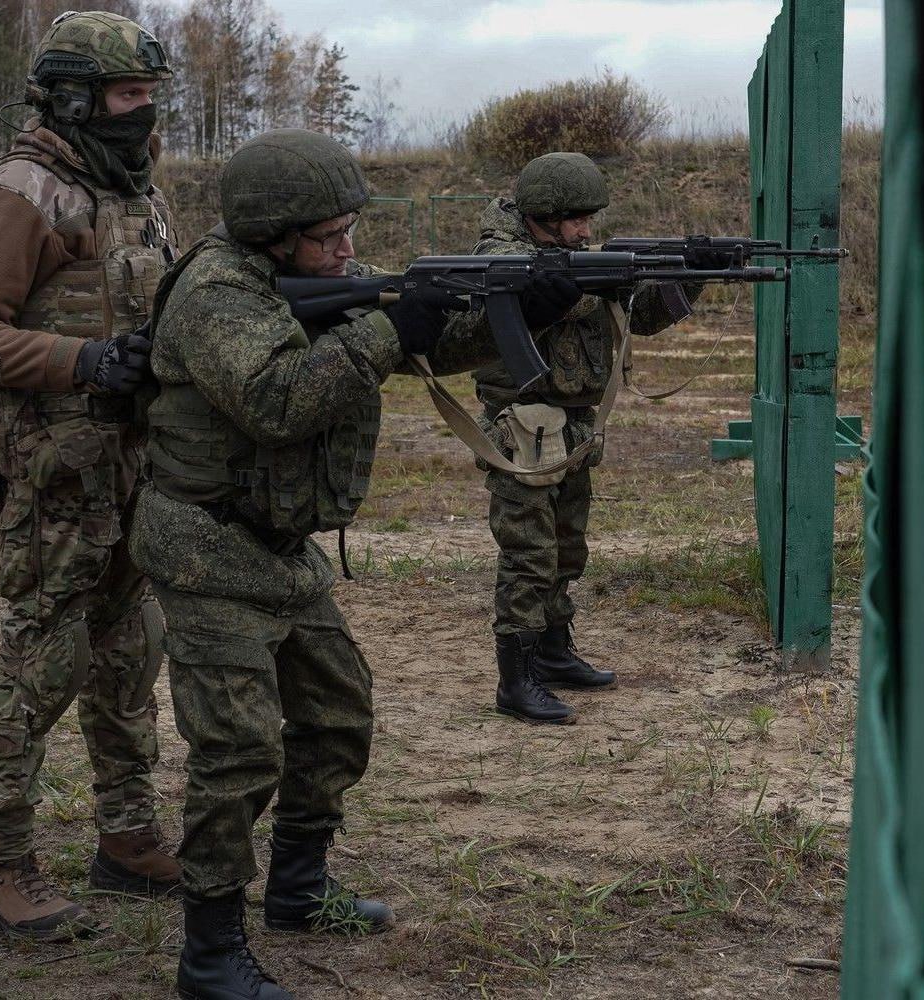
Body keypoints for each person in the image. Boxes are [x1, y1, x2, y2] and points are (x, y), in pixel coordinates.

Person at [129, 127, 566, 1000]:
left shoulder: (301, 283)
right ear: (273, 235)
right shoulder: (216, 294)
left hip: (276, 552)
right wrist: (379, 329)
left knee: (336, 715)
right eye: (330, 238)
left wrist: (531, 309)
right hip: (207, 549)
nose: (347, 251)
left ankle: (296, 888)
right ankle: (209, 956)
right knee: (237, 750)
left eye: (351, 232)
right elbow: (279, 400)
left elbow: (416, 346)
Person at [0, 10, 181, 939]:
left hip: (131, 464)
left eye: (151, 96)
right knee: (44, 656)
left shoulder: (140, 193)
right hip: (51, 473)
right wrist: (80, 362)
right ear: (74, 99)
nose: (143, 113)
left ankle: (127, 838)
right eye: (127, 95)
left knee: (129, 652)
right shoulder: (24, 193)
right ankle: (1, 863)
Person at [470, 152, 704, 724]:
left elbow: (638, 314)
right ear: (541, 215)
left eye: (589, 218)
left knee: (568, 545)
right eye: (574, 219)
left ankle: (552, 652)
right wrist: (557, 290)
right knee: (529, 553)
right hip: (522, 425)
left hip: (574, 426)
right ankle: (515, 680)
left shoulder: (578, 257)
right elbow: (500, 308)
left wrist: (690, 274)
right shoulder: (499, 255)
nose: (584, 230)